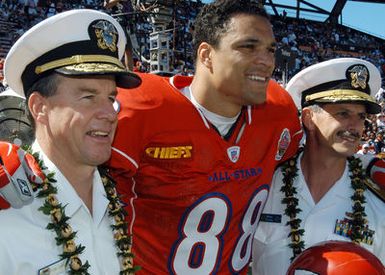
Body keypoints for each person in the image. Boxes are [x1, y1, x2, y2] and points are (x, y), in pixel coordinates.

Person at [108, 0, 302, 273]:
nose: (267, 61)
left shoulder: (278, 113)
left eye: (270, 50)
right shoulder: (144, 110)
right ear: (207, 55)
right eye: (248, 47)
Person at [0, 9, 141, 274]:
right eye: (88, 97)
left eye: (111, 98)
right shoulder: (7, 214)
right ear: (39, 107)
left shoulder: (120, 198)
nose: (110, 114)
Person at [252, 58, 385, 275]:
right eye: (343, 113)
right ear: (309, 118)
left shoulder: (378, 200)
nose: (355, 126)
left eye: (361, 116)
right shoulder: (264, 183)